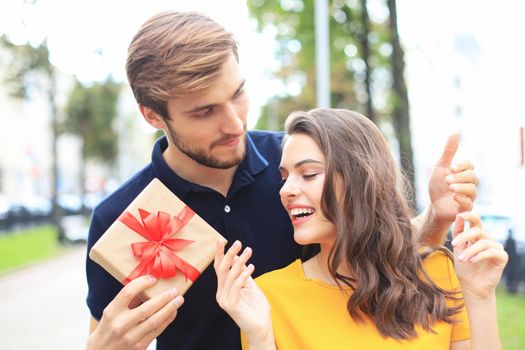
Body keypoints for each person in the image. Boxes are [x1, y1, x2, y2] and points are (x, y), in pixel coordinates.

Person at [85, 11, 480, 350]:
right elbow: (111, 332)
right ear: (154, 116)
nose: (235, 123)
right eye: (205, 112)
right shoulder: (120, 217)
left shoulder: (296, 164)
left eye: (238, 94)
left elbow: (378, 251)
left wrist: (436, 218)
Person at [215, 108, 508, 350]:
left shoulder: (436, 272)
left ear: (360, 180)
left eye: (308, 174)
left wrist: (481, 298)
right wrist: (260, 338)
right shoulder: (267, 297)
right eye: (285, 177)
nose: (286, 190)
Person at [504, 229, 519, 293]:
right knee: (510, 275)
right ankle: (510, 288)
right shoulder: (511, 241)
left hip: (510, 261)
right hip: (510, 261)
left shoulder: (510, 241)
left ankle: (512, 288)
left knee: (511, 275)